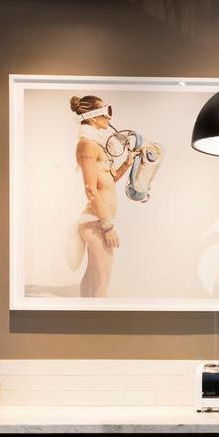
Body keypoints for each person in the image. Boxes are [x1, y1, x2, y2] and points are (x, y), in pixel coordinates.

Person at [70, 95, 134, 297]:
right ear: (93, 116)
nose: (109, 117)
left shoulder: (95, 145)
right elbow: (90, 189)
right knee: (102, 281)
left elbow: (107, 182)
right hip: (96, 222)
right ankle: (99, 314)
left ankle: (85, 314)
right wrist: (107, 226)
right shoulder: (87, 145)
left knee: (93, 279)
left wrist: (127, 163)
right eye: (106, 111)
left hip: (97, 221)